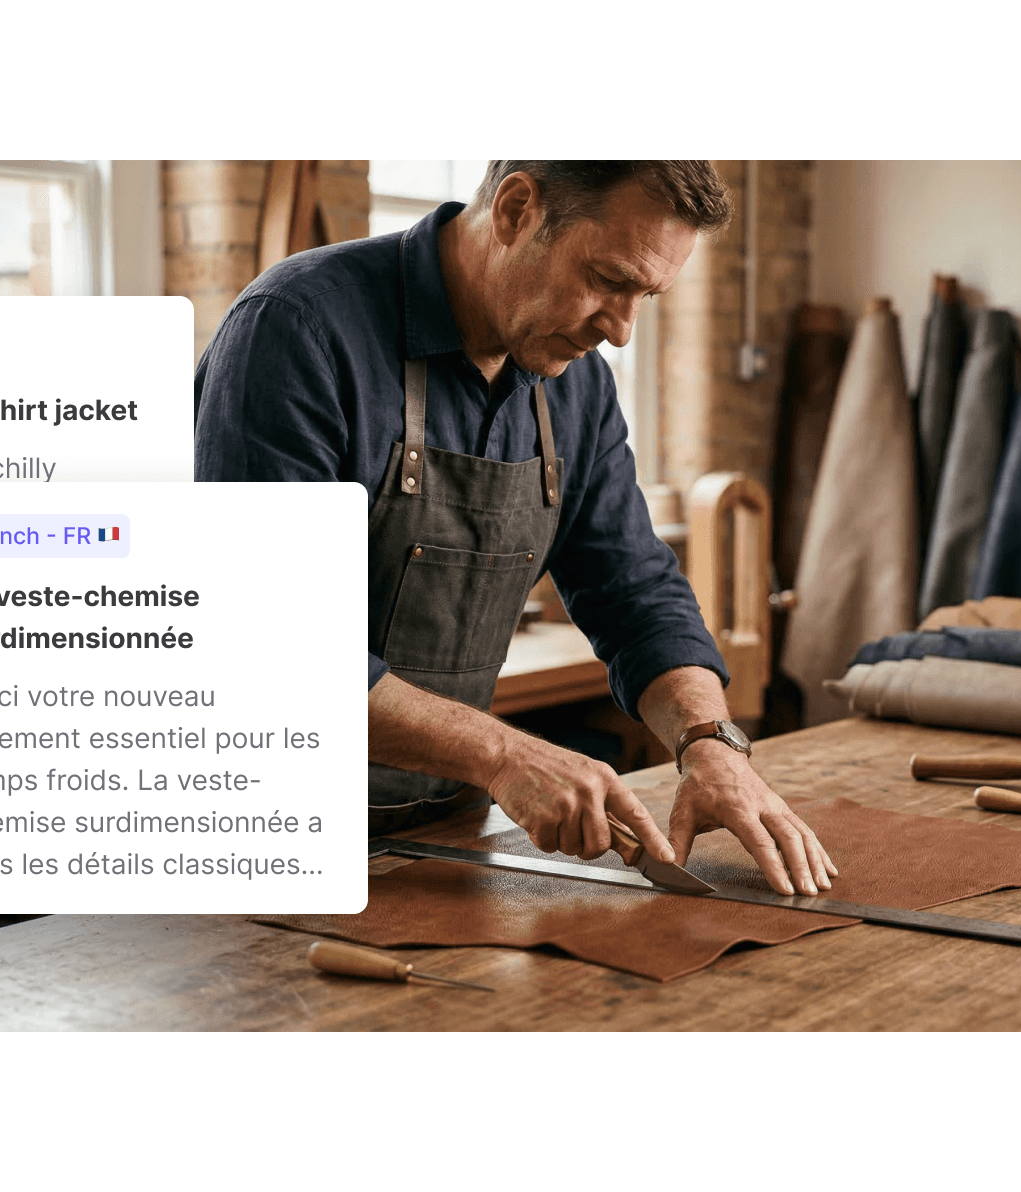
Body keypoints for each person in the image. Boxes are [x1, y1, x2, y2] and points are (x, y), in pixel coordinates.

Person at [195, 160, 836, 897]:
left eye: (646, 297)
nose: (622, 331)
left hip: (439, 842)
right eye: (608, 278)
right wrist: (504, 755)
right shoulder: (297, 330)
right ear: (515, 210)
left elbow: (635, 592)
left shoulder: (577, 384)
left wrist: (710, 742)